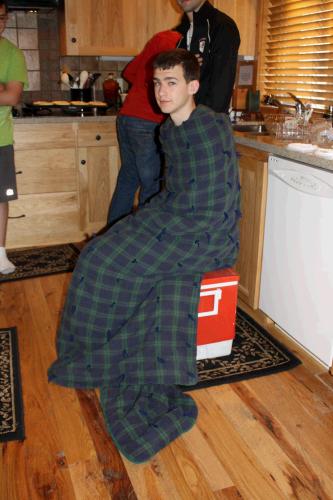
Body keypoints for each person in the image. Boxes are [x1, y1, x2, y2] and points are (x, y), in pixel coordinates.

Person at [48, 49, 240, 463]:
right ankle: (87, 349)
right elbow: (173, 190)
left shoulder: (210, 127)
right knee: (98, 255)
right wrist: (148, 216)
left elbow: (213, 201)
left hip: (206, 234)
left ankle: (113, 354)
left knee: (117, 265)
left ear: (193, 86)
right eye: (156, 83)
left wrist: (161, 222)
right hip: (177, 218)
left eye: (171, 82)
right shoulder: (167, 131)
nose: (161, 91)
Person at [107, 30, 182, 225]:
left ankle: (113, 238)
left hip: (127, 117)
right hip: (148, 120)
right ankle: (143, 241)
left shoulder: (161, 38)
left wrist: (142, 87)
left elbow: (130, 72)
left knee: (128, 179)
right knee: (152, 186)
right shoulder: (178, 42)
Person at [0, 0, 28, 274]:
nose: (0, 22)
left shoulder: (12, 54)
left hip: (0, 138)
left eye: (2, 17)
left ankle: (0, 254)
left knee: (0, 198)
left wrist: (3, 90)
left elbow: (11, 95)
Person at [175, 0, 240, 113]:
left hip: (207, 122)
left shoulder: (222, 26)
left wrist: (206, 121)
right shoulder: (178, 33)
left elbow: (221, 87)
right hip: (181, 120)